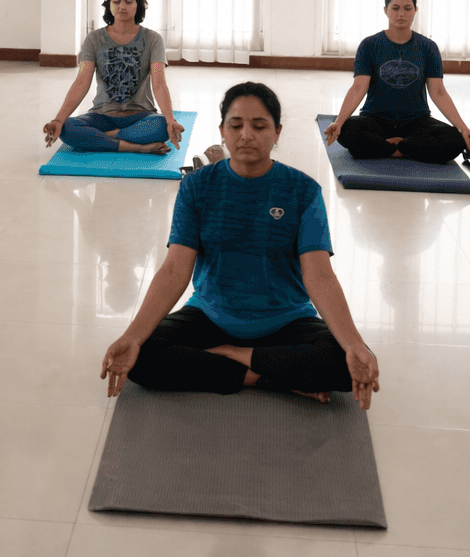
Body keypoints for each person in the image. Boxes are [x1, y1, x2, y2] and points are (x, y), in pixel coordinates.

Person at [100, 82, 380, 408]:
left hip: (285, 320)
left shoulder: (303, 191)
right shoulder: (196, 188)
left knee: (344, 362)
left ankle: (232, 358)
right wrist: (132, 336)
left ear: (277, 132)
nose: (246, 135)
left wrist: (355, 343)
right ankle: (267, 377)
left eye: (259, 126)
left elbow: (319, 276)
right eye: (236, 125)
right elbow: (176, 268)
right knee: (143, 355)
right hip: (211, 316)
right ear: (222, 131)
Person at [322, 0, 470, 164]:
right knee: (348, 130)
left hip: (416, 122)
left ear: (415, 11)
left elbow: (438, 92)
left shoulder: (428, 47)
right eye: (395, 8)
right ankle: (407, 149)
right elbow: (359, 86)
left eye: (407, 8)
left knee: (455, 140)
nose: (401, 14)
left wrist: (463, 128)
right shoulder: (369, 45)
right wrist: (339, 122)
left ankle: (388, 148)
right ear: (386, 11)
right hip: (376, 120)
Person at [43, 0, 184, 154]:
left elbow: (159, 83)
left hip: (140, 115)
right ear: (109, 5)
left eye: (128, 1)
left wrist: (170, 121)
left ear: (137, 5)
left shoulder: (153, 39)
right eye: (116, 1)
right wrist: (58, 120)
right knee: (67, 128)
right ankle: (134, 146)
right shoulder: (94, 39)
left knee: (161, 127)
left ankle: (106, 137)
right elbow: (82, 81)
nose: (121, 6)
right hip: (102, 115)